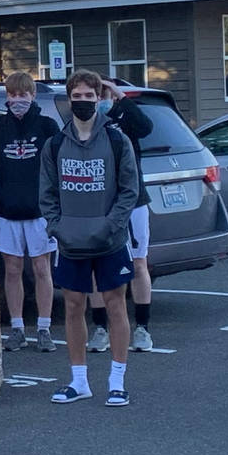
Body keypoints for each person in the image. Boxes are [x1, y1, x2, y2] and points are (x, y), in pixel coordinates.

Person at [39, 70, 138, 406]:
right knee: (72, 306)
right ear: (69, 99)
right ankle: (79, 381)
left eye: (89, 96)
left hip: (109, 240)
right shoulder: (55, 143)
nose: (83, 102)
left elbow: (129, 190)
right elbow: (47, 193)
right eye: (77, 97)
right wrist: (57, 226)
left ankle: (117, 380)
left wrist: (113, 224)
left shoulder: (116, 139)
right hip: (71, 241)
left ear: (99, 99)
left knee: (115, 305)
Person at [0, 72, 60, 351]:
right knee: (12, 271)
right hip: (7, 213)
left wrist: (49, 201)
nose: (17, 101)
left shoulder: (48, 126)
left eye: (22, 95)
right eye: (12, 95)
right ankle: (17, 329)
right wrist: (1, 195)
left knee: (41, 269)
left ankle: (45, 329)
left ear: (33, 95)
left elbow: (58, 167)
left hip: (40, 214)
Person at [98, 82, 156, 353]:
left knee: (139, 262)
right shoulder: (87, 123)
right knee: (96, 266)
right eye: (93, 94)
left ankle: (142, 328)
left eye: (102, 94)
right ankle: (100, 328)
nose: (99, 100)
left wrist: (120, 97)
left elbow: (146, 128)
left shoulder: (124, 118)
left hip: (134, 201)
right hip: (100, 204)